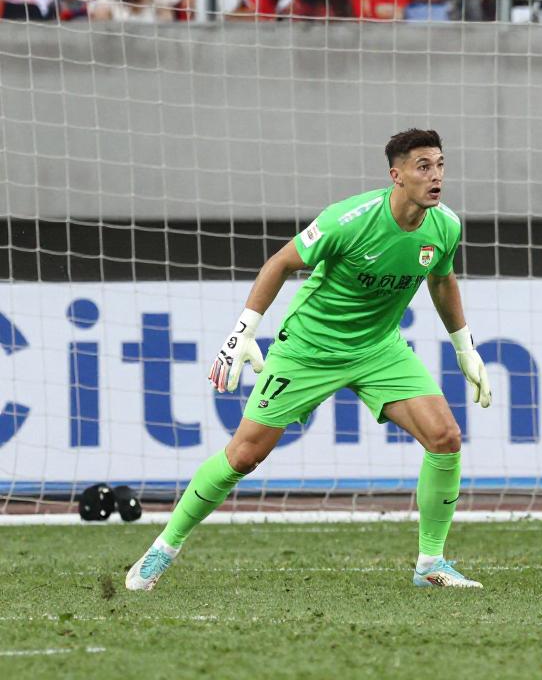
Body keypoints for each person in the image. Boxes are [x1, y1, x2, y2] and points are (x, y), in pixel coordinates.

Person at [126, 129, 493, 592]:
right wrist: (243, 332)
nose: (436, 175)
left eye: (440, 164)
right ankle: (164, 547)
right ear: (396, 176)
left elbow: (442, 280)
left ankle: (430, 564)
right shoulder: (348, 219)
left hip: (378, 348)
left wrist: (465, 348)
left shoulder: (446, 226)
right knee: (244, 455)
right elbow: (279, 264)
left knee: (445, 437)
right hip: (309, 349)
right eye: (423, 166)